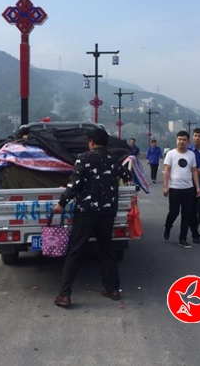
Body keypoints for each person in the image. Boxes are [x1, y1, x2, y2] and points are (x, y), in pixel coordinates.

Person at [53, 128, 133, 308]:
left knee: (75, 251)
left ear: (91, 142)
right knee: (106, 251)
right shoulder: (113, 159)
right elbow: (127, 175)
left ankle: (64, 295)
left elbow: (74, 184)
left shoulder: (84, 158)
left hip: (86, 212)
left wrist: (61, 203)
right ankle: (113, 290)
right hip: (107, 213)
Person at [162, 131, 200, 248]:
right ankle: (168, 226)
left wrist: (197, 187)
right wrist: (165, 186)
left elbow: (194, 171)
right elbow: (167, 171)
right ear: (176, 140)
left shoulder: (191, 155)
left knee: (186, 214)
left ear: (188, 141)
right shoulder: (171, 154)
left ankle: (182, 238)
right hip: (174, 188)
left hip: (188, 189)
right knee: (174, 212)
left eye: (184, 140)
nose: (181, 142)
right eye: (179, 139)